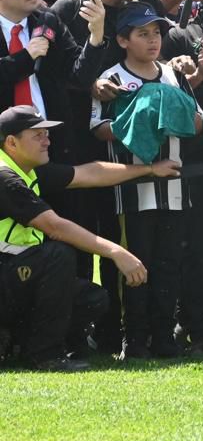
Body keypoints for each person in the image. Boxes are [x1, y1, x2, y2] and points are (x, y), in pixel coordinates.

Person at [0, 105, 179, 370]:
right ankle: (45, 355)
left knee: (90, 299)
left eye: (46, 134)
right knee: (57, 255)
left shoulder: (27, 169)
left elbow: (91, 173)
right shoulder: (5, 176)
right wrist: (116, 252)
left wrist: (150, 169)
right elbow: (55, 227)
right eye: (37, 135)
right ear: (11, 142)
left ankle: (18, 344)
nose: (47, 140)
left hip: (12, 275)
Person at [91, 2, 203, 359]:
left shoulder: (174, 74)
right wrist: (140, 117)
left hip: (173, 188)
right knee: (135, 265)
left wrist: (170, 110)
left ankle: (165, 336)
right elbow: (97, 129)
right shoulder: (111, 78)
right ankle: (133, 340)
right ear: (123, 40)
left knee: (169, 264)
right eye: (143, 34)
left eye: (157, 33)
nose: (153, 40)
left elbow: (197, 121)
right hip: (131, 192)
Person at [0, 0, 108, 163]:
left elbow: (79, 77)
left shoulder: (47, 21)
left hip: (51, 145)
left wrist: (96, 36)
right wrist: (26, 57)